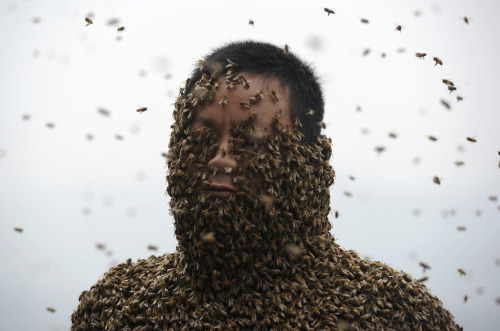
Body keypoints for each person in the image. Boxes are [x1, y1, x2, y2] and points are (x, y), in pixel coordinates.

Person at [71, 40, 461, 330]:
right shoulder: (110, 307)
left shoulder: (401, 316)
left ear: (310, 158)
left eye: (251, 138)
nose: (220, 157)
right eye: (203, 136)